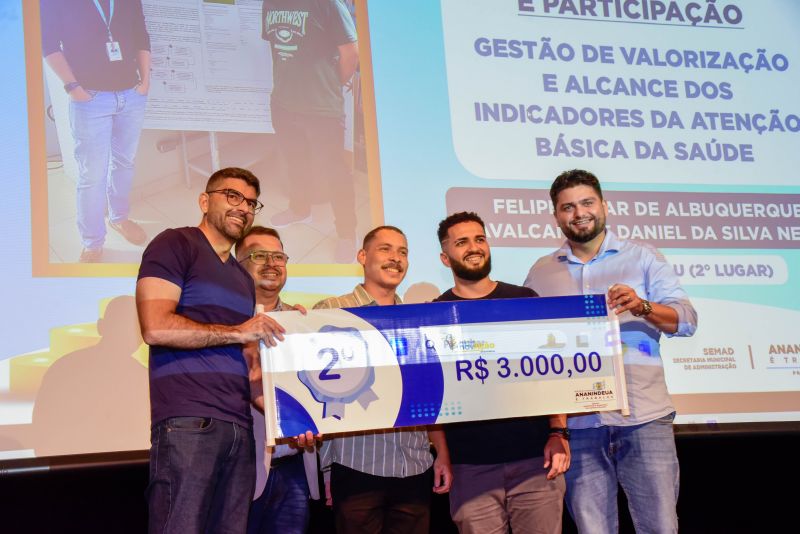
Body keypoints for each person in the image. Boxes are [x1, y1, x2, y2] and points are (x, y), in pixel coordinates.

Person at [524, 169, 698, 534]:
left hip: (643, 418)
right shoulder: (540, 274)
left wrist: (643, 307)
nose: (579, 213)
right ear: (556, 216)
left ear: (604, 205)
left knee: (660, 528)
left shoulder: (642, 257)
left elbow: (686, 320)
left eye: (587, 202)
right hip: (580, 426)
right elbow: (529, 344)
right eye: (567, 207)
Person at [136, 167, 286, 534]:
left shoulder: (240, 277)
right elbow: (155, 326)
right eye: (232, 196)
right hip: (189, 423)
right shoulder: (176, 244)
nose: (243, 208)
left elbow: (249, 367)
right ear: (205, 201)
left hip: (239, 427)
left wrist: (295, 416)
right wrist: (238, 332)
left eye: (251, 202)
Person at [432, 211, 569, 534]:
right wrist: (442, 455)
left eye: (480, 239)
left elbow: (553, 374)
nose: (474, 247)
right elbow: (431, 397)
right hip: (470, 468)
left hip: (536, 462)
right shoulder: (435, 313)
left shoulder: (524, 300)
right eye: (462, 242)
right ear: (445, 257)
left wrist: (558, 432)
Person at [314, 226, 452, 534]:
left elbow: (430, 393)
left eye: (403, 252)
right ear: (362, 256)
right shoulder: (331, 310)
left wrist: (440, 452)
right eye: (386, 249)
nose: (396, 258)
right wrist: (326, 469)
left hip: (415, 465)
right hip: (357, 465)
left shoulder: (419, 318)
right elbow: (318, 394)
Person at [40, 0, 151, 263]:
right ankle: (92, 242)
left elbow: (141, 35)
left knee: (125, 162)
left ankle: (119, 218)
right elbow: (48, 44)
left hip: (131, 94)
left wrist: (145, 81)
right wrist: (74, 88)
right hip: (90, 99)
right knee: (93, 174)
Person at [262, 0, 360, 263]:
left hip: (321, 106)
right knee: (295, 162)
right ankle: (299, 208)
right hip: (283, 102)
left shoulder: (328, 4)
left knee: (335, 171)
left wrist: (330, 85)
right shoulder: (269, 3)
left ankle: (346, 234)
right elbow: (279, 49)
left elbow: (351, 53)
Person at [235, 226, 318, 534]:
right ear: (238, 263)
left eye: (278, 256)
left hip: (295, 465)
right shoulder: (223, 320)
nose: (271, 263)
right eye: (259, 255)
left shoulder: (303, 323)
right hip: (239, 470)